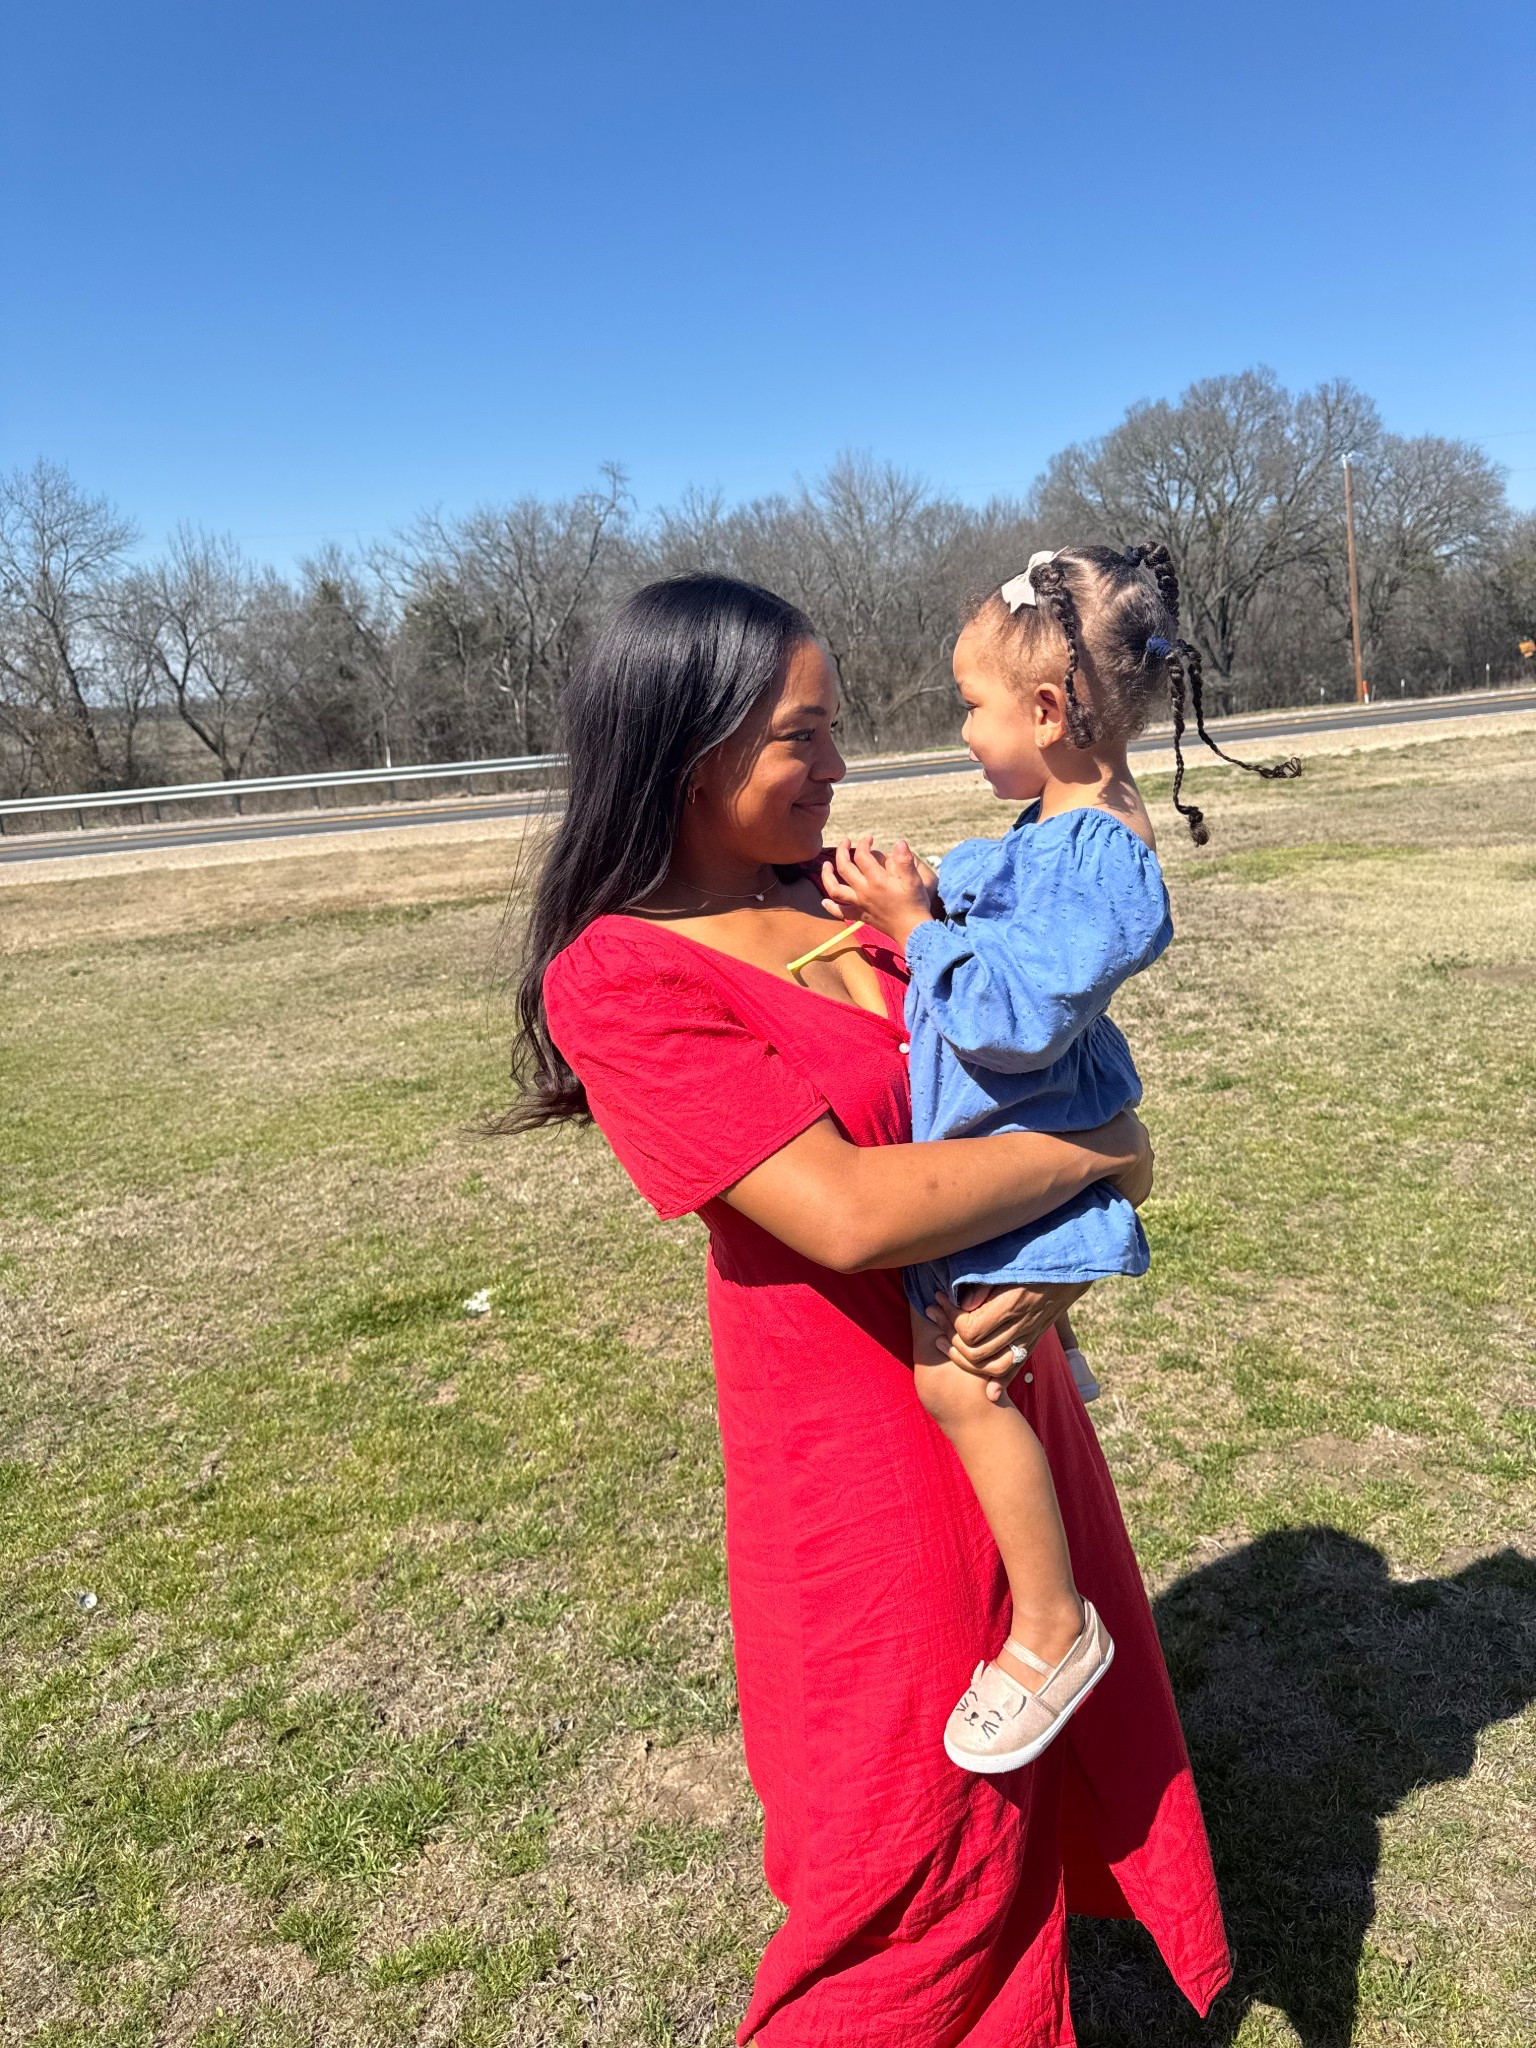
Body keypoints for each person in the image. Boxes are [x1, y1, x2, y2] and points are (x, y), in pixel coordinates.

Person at [506, 574, 1230, 2045]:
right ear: (685, 753)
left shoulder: (842, 897)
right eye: (802, 736)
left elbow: (1034, 1043)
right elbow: (842, 1212)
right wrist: (1109, 1160)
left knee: (1037, 1779)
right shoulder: (620, 978)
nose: (838, 768)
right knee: (893, 1848)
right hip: (854, 1457)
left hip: (996, 1390)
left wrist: (1094, 1177)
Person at [818, 543, 1300, 1779]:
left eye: (971, 706)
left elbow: (1016, 1015)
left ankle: (1051, 1626)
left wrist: (916, 928)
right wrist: (910, 887)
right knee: (969, 1379)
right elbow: (984, 892)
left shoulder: (1110, 858)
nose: (962, 730)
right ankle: (1054, 1356)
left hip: (1024, 1165)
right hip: (1002, 1156)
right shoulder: (1051, 824)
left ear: (1044, 711)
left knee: (956, 1390)